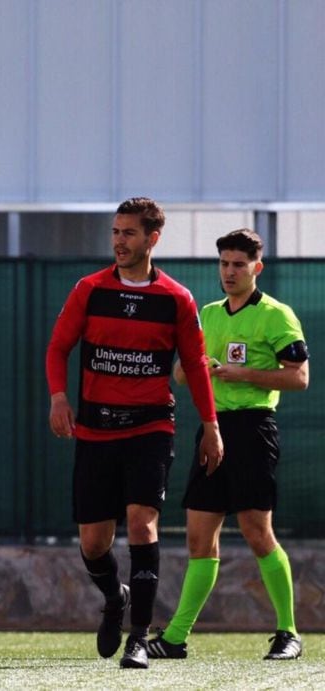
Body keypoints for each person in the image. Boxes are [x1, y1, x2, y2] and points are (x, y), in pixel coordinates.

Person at [45, 197, 224, 669]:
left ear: (152, 238)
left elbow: (196, 365)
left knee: (143, 523)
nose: (119, 241)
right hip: (95, 431)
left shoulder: (177, 299)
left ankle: (139, 639)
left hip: (151, 428)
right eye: (116, 232)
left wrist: (211, 425)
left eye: (128, 233)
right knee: (93, 544)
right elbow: (58, 347)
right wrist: (59, 397)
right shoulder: (89, 289)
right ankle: (114, 596)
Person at [147, 229, 308, 661]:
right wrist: (200, 369)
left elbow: (300, 377)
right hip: (211, 429)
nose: (230, 271)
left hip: (254, 430)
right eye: (224, 263)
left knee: (258, 534)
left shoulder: (276, 315)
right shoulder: (209, 314)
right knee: (199, 539)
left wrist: (245, 374)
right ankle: (176, 638)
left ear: (257, 267)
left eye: (239, 264)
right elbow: (181, 372)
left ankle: (288, 632)